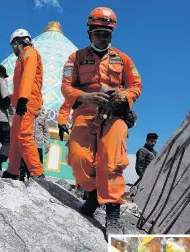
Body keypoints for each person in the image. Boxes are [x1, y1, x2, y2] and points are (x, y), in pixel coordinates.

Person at [61, 7, 143, 236]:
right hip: (85, 113)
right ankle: (93, 195)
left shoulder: (123, 58)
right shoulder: (75, 58)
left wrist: (124, 96)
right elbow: (66, 87)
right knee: (78, 158)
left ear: (112, 34)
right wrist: (86, 97)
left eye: (106, 33)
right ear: (89, 33)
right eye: (98, 32)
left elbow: (136, 85)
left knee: (111, 159)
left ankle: (113, 213)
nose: (102, 36)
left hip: (115, 115)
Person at [1, 28, 45, 180]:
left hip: (28, 101)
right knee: (15, 137)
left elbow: (29, 76)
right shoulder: (20, 59)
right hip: (23, 100)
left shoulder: (29, 53)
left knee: (24, 135)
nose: (12, 49)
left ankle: (37, 172)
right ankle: (13, 170)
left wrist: (23, 99)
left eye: (13, 45)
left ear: (17, 42)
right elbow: (21, 85)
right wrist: (12, 98)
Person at [19, 108, 51, 181]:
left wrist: (47, 144)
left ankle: (35, 181)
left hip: (38, 145)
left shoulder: (42, 117)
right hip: (27, 144)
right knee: (24, 163)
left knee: (38, 163)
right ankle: (22, 178)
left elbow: (46, 131)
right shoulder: (26, 114)